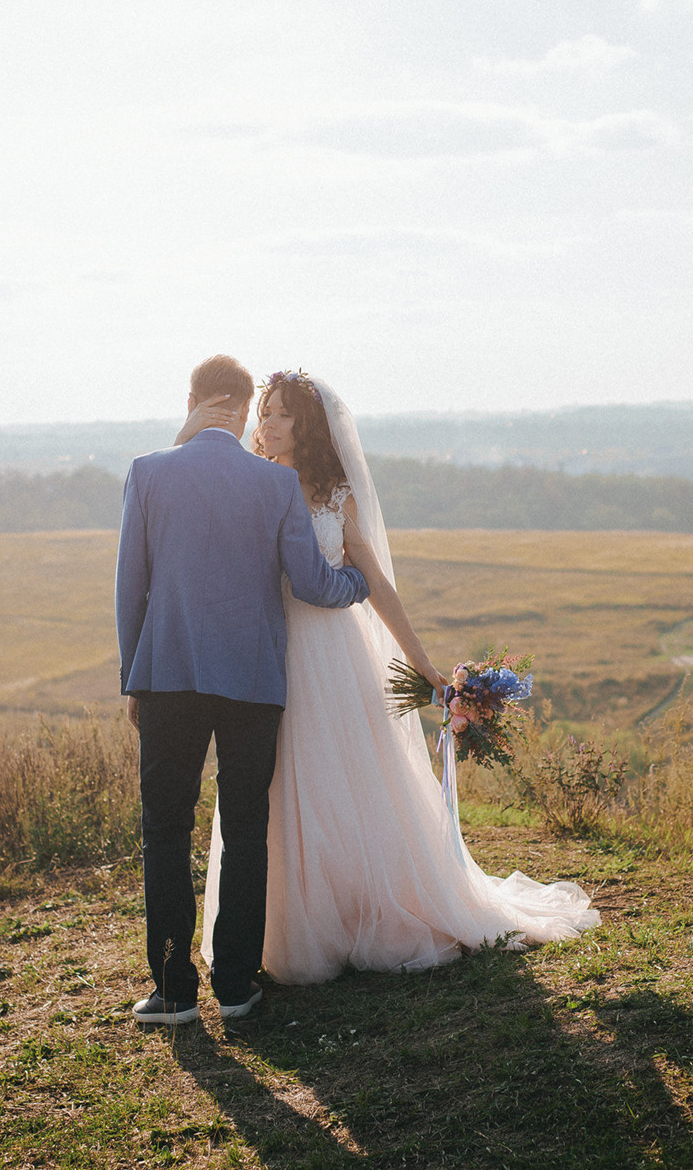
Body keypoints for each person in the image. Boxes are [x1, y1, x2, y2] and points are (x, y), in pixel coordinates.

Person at [189, 370, 599, 987]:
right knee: (273, 793)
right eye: (263, 413)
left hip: (334, 656)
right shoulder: (254, 484)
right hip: (268, 655)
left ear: (309, 427)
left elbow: (377, 585)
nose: (264, 424)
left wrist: (422, 663)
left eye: (279, 415)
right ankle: (283, 927)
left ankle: (362, 911)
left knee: (344, 782)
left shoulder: (335, 497)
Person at [115, 355, 371, 1025]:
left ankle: (173, 990)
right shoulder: (273, 484)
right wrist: (358, 584)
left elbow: (129, 589)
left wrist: (132, 678)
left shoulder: (147, 472)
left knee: (165, 828)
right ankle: (233, 985)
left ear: (193, 400)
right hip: (254, 679)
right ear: (242, 407)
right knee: (248, 824)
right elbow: (315, 583)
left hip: (167, 675)